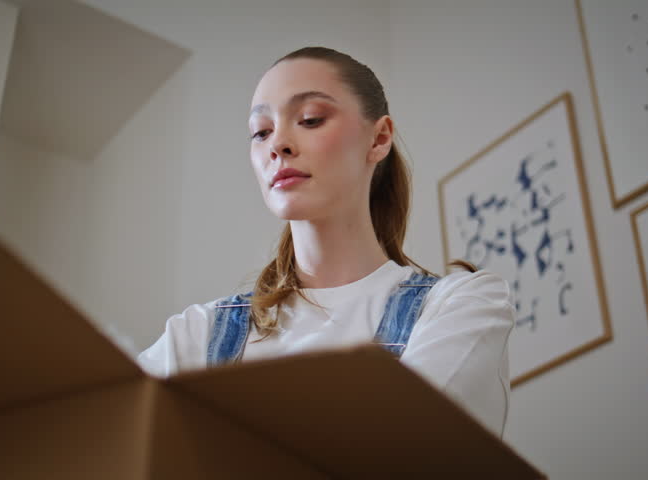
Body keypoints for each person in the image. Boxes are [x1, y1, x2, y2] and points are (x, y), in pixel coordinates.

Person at [138, 46, 515, 439]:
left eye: (310, 119)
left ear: (379, 138)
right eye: (261, 132)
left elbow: (408, 449)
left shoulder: (462, 305)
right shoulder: (196, 334)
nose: (277, 144)